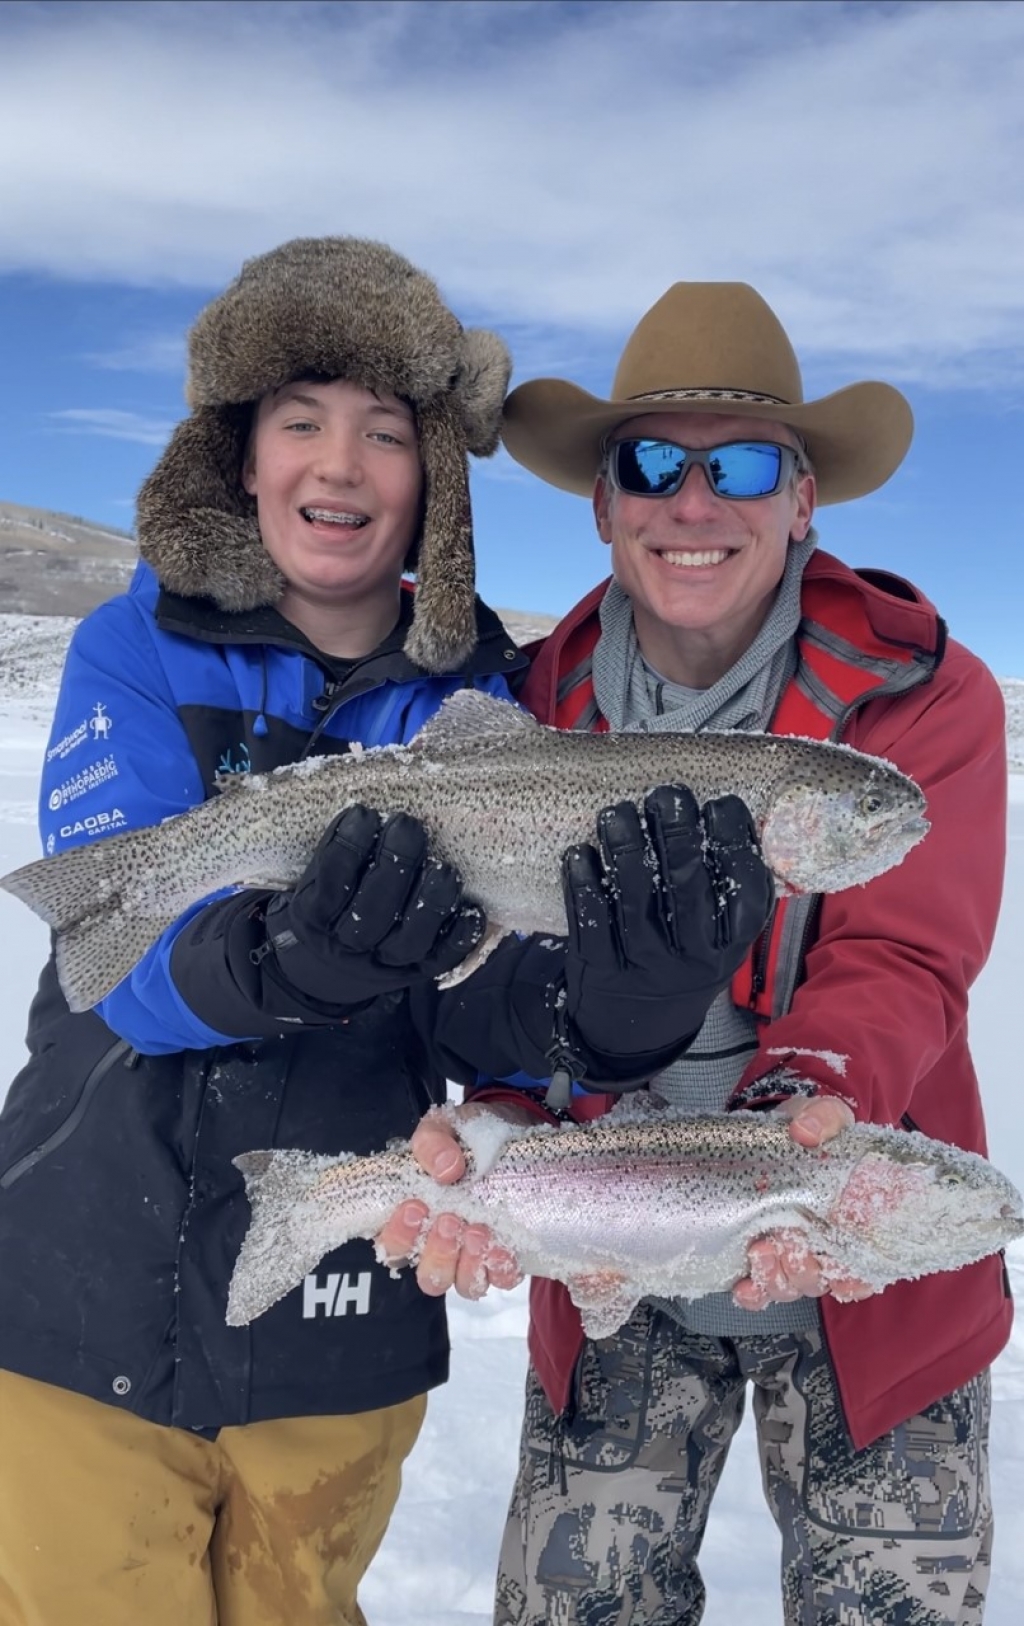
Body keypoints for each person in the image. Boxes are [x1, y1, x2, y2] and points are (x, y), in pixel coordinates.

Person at [0, 240, 773, 1626]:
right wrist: (280, 961)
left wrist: (621, 1006)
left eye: (386, 432)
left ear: (436, 483)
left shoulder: (481, 711)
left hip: (337, 1332)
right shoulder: (139, 649)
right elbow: (114, 965)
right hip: (70, 1299)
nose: (340, 467)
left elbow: (490, 1008)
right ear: (240, 456)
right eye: (300, 420)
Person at [377, 281, 1010, 1624]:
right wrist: (488, 1122)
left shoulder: (924, 691)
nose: (694, 502)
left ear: (804, 500)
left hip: (864, 1278)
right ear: (605, 502)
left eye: (744, 466)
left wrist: (806, 1104)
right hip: (613, 1261)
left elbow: (907, 954)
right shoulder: (532, 706)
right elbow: (508, 977)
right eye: (655, 463)